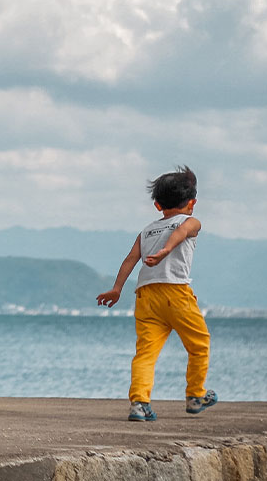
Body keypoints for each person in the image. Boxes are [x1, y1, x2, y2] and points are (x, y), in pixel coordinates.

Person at [96, 166, 217, 422]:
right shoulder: (191, 221)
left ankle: (139, 404)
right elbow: (181, 233)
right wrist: (166, 251)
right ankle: (195, 395)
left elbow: (130, 259)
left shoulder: (147, 230)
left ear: (157, 205)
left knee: (145, 354)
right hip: (176, 293)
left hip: (145, 297)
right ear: (192, 203)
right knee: (199, 345)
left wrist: (117, 288)